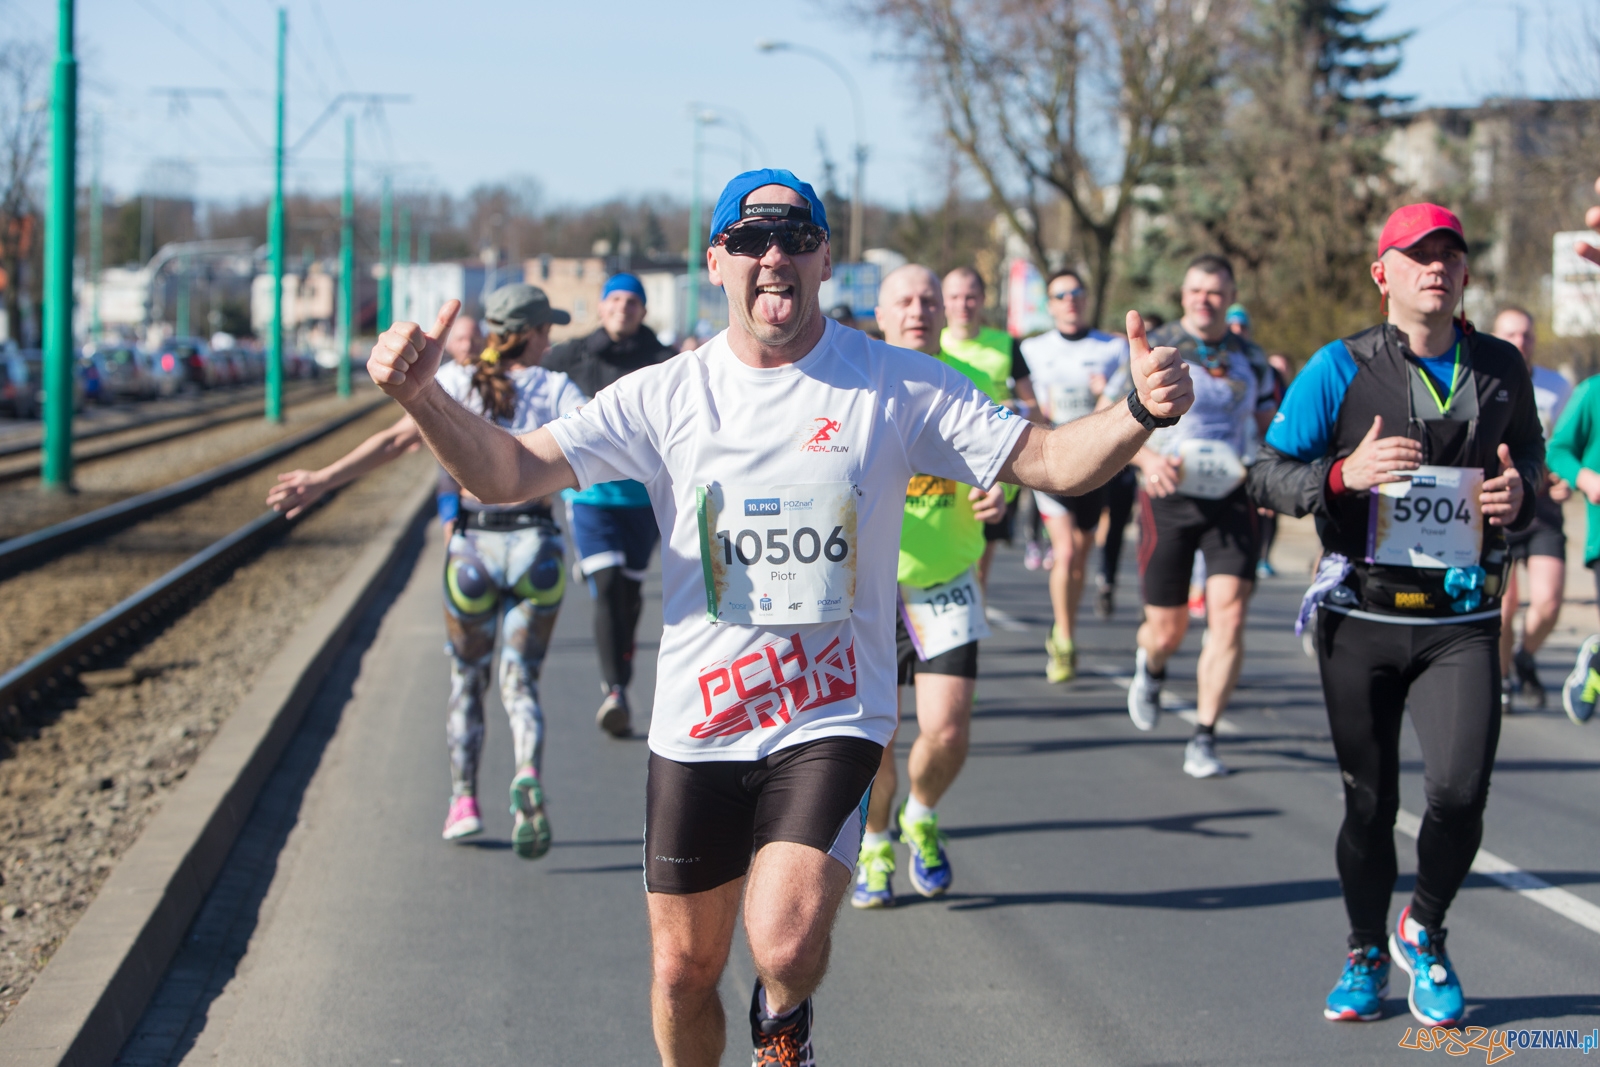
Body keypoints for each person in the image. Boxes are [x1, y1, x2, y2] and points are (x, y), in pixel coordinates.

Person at [364, 167, 1193, 1067]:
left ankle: (784, 1026)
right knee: (684, 970)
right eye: (752, 239)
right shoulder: (667, 394)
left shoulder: (894, 385)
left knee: (785, 941)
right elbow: (511, 472)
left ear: (825, 259)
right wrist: (424, 397)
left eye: (796, 237)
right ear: (715, 260)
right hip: (701, 721)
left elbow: (1051, 459)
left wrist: (1140, 410)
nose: (774, 256)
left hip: (830, 710)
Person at [1249, 203, 1541, 1027]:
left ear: (1466, 275)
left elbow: (1538, 476)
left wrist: (1520, 497)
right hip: (1363, 616)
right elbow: (1265, 472)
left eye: (1450, 255)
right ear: (1383, 273)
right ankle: (1365, 949)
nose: (1436, 268)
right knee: (1369, 802)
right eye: (1417, 256)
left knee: (1458, 791)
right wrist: (1342, 476)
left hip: (1461, 618)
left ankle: (1427, 926)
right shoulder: (1339, 368)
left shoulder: (1501, 368)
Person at [270, 284, 584, 858]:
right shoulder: (559, 388)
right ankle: (526, 773)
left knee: (468, 680)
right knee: (521, 680)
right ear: (535, 334)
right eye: (547, 331)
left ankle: (463, 800)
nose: (550, 340)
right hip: (537, 549)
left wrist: (322, 481)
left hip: (471, 551)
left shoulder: (458, 385)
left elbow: (393, 441)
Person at [851, 265, 1008, 910]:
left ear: (946, 313)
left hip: (945, 580)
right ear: (882, 315)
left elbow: (1009, 463)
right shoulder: (850, 386)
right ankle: (878, 842)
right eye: (904, 300)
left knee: (947, 731)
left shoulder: (973, 386)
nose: (918, 310)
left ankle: (921, 812)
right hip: (867, 591)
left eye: (929, 300)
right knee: (877, 740)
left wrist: (1001, 497)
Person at [1124, 255, 1274, 778]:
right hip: (1170, 493)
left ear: (1230, 294)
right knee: (1167, 629)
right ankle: (1153, 665)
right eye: (1196, 290)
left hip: (1232, 494)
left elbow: (1269, 427)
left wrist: (1270, 475)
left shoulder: (1251, 358)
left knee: (1229, 614)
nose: (1203, 299)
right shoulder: (1157, 347)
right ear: (1183, 293)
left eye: (1215, 291)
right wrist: (1145, 459)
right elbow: (1106, 419)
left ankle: (1204, 736)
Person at [544, 272, 674, 737]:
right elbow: (530, 386)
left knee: (630, 593)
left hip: (642, 498)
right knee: (607, 582)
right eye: (614, 299)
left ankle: (621, 676)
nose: (623, 307)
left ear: (643, 310)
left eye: (632, 301)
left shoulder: (663, 361)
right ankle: (615, 690)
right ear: (601, 307)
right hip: (589, 495)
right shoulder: (571, 357)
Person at [1019, 267, 1130, 680]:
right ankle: (1064, 638)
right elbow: (1023, 399)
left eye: (1076, 293)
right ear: (1049, 305)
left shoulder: (1112, 348)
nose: (1070, 300)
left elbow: (1121, 397)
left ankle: (1064, 625)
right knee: (1064, 551)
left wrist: (1109, 393)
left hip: (1096, 460)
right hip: (1050, 458)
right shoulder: (1033, 349)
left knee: (1081, 555)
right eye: (1060, 295)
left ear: (1086, 299)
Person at [1492, 307, 1571, 709]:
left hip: (1541, 510)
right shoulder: (1483, 378)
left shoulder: (1557, 386)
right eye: (1511, 334)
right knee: (1504, 607)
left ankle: (1525, 656)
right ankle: (1503, 677)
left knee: (1549, 603)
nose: (1520, 342)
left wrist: (1564, 478)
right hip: (1497, 508)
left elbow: (1567, 446)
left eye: (1526, 335)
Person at [940, 265, 1038, 588]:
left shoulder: (1006, 344)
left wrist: (1016, 408)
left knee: (981, 561)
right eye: (955, 296)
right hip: (944, 461)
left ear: (982, 300)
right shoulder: (930, 343)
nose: (963, 304)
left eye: (970, 297)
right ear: (944, 301)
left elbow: (1033, 406)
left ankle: (974, 609)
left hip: (992, 460)